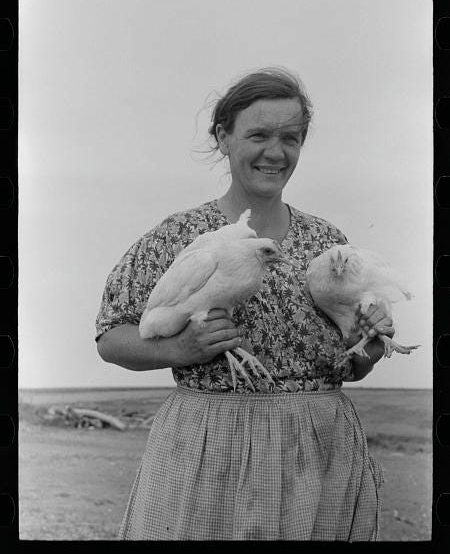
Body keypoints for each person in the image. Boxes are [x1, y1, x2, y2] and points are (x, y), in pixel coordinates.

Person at [95, 67, 392, 541]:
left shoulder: (329, 243)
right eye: (258, 134)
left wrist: (370, 342)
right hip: (210, 447)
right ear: (223, 137)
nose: (275, 152)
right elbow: (110, 337)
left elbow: (354, 366)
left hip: (320, 451)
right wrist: (177, 350)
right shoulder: (178, 237)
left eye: (290, 138)